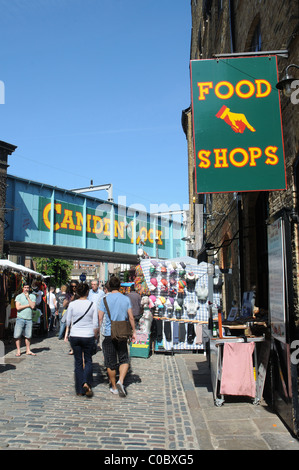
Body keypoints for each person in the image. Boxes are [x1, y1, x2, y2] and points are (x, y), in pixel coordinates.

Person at [98, 275, 136, 397]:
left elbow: (100, 317)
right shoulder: (125, 299)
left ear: (108, 286)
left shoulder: (104, 299)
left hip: (108, 333)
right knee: (124, 358)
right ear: (119, 286)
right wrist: (134, 331)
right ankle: (121, 381)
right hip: (122, 333)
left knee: (110, 362)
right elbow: (130, 317)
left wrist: (98, 331)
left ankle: (114, 386)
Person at [64, 282, 99, 397]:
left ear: (77, 292)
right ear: (87, 292)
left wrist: (68, 332)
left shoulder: (72, 305)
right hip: (88, 335)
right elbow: (95, 323)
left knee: (78, 362)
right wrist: (96, 335)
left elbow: (68, 321)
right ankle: (86, 382)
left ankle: (79, 389)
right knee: (88, 360)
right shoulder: (92, 304)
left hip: (75, 335)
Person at [14, 282, 37, 357]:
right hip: (20, 318)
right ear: (23, 288)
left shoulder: (32, 296)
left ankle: (28, 350)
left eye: (27, 287)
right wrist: (28, 305)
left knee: (28, 335)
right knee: (17, 335)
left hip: (29, 319)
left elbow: (33, 306)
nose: (26, 289)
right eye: (25, 287)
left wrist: (28, 298)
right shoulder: (18, 297)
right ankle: (18, 350)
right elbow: (18, 307)